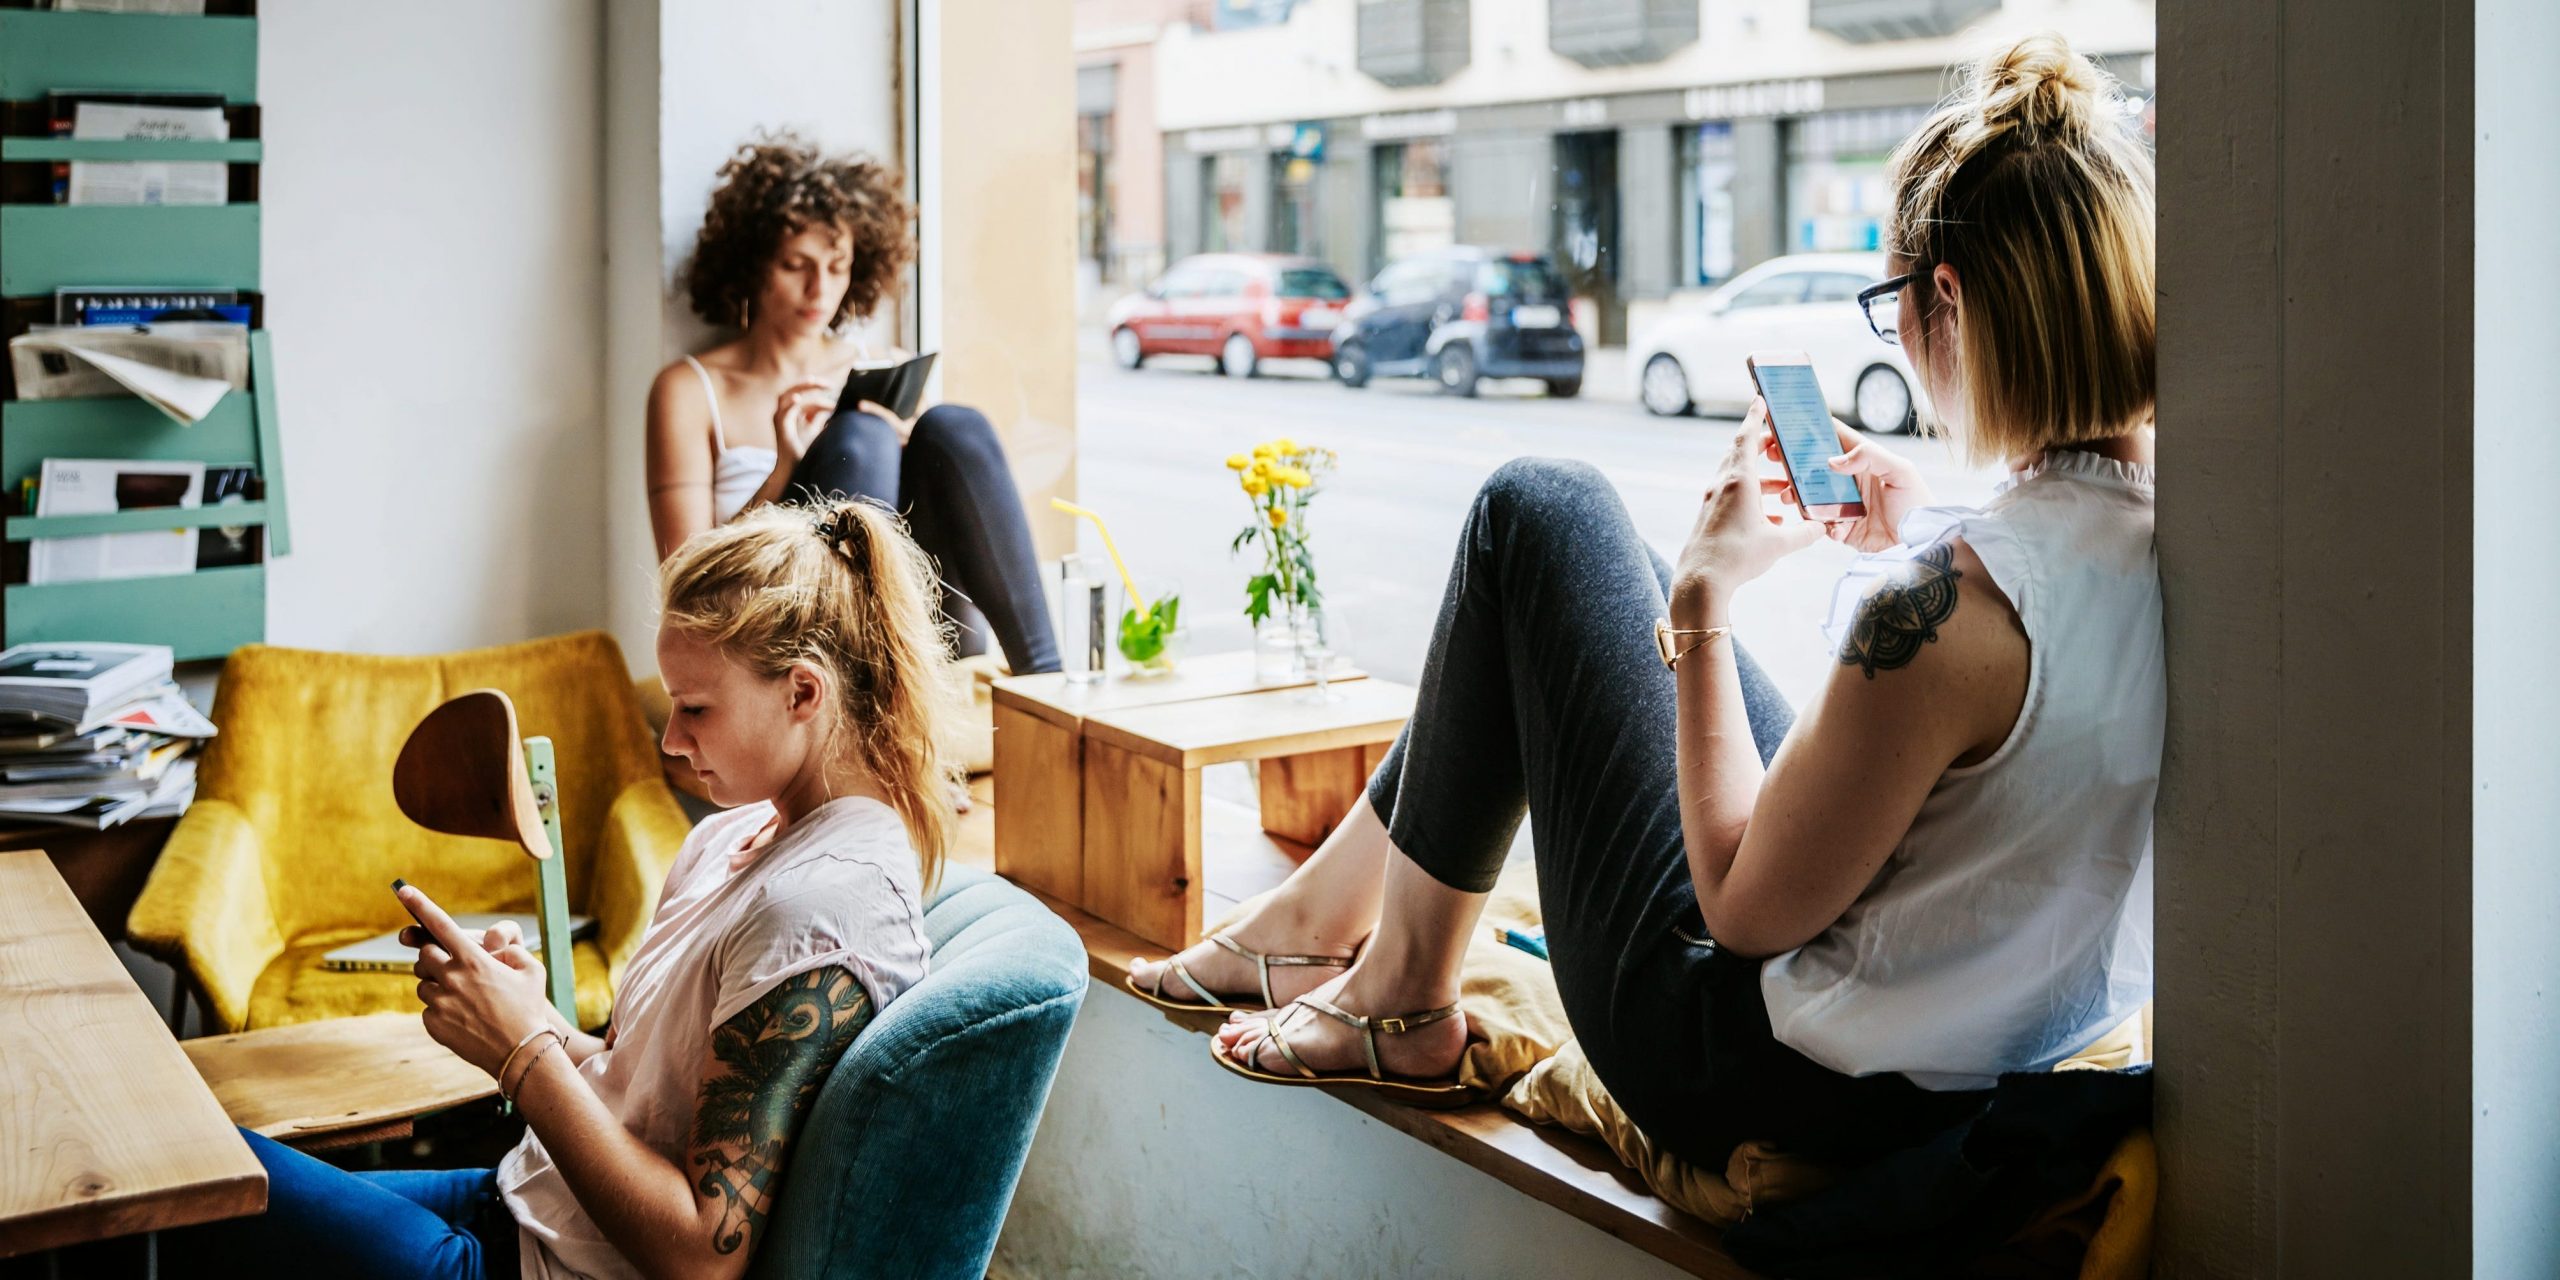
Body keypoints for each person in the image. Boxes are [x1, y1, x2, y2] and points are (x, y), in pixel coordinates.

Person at [1132, 30, 2160, 1166]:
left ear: (1948, 298)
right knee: (1542, 616)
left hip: (1756, 1077)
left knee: (1537, 510)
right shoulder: (2193, 540)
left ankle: (1395, 995)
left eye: (1892, 303)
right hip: (1981, 1055)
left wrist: (1702, 598)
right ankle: (1319, 932)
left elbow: (1738, 909)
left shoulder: (1933, 621)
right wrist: (1925, 519)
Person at [172, 498, 960, 1279]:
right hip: (526, 1206)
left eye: (695, 708)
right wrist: (533, 1017)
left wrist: (521, 1055)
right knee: (189, 1175)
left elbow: (700, 1255)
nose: (672, 741)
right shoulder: (732, 837)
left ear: (802, 693)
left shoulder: (820, 909)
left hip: (542, 1266)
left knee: (182, 1182)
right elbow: (641, 1095)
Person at [645, 132, 1058, 674]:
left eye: (838, 266)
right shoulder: (690, 389)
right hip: (791, 635)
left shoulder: (882, 363)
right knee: (859, 438)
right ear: (751, 265)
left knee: (952, 426)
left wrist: (907, 445)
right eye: (797, 265)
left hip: (918, 618)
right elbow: (688, 583)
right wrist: (783, 469)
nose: (820, 289)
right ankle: (864, 691)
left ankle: (1049, 680)